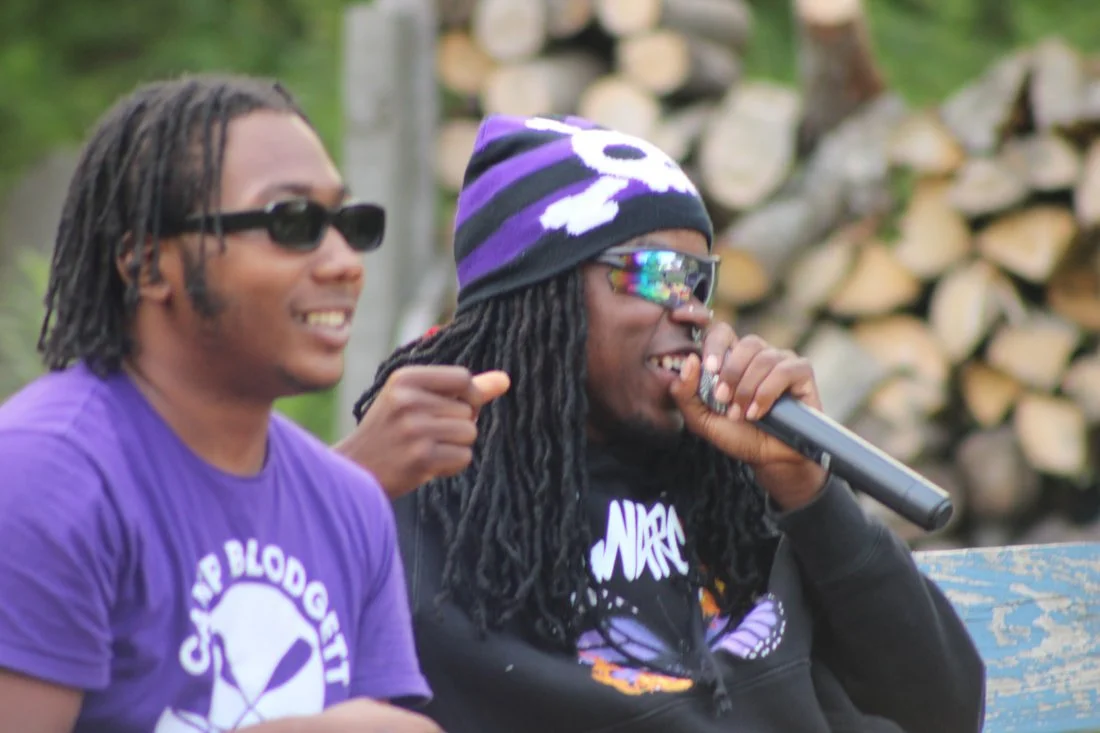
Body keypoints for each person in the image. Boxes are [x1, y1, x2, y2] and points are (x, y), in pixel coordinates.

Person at [351, 114, 987, 732]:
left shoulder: (737, 497)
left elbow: (946, 709)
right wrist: (349, 481)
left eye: (700, 281)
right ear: (540, 293)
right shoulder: (439, 511)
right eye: (655, 273)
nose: (690, 310)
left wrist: (809, 492)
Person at [0, 74, 510, 733]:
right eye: (291, 223)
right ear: (148, 263)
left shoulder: (349, 503)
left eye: (351, 224)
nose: (345, 262)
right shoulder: (45, 474)